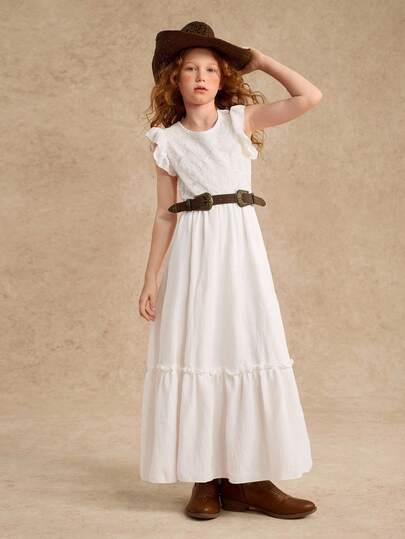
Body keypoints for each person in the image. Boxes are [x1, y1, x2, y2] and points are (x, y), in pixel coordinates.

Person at [138, 21, 322, 520]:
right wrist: (151, 278)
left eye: (211, 70)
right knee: (200, 349)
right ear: (175, 79)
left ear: (222, 80)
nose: (201, 77)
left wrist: (260, 60)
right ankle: (205, 478)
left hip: (239, 251)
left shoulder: (240, 122)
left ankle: (249, 479)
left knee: (244, 345)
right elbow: (164, 215)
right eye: (190, 69)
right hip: (194, 254)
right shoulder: (166, 141)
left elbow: (309, 96)